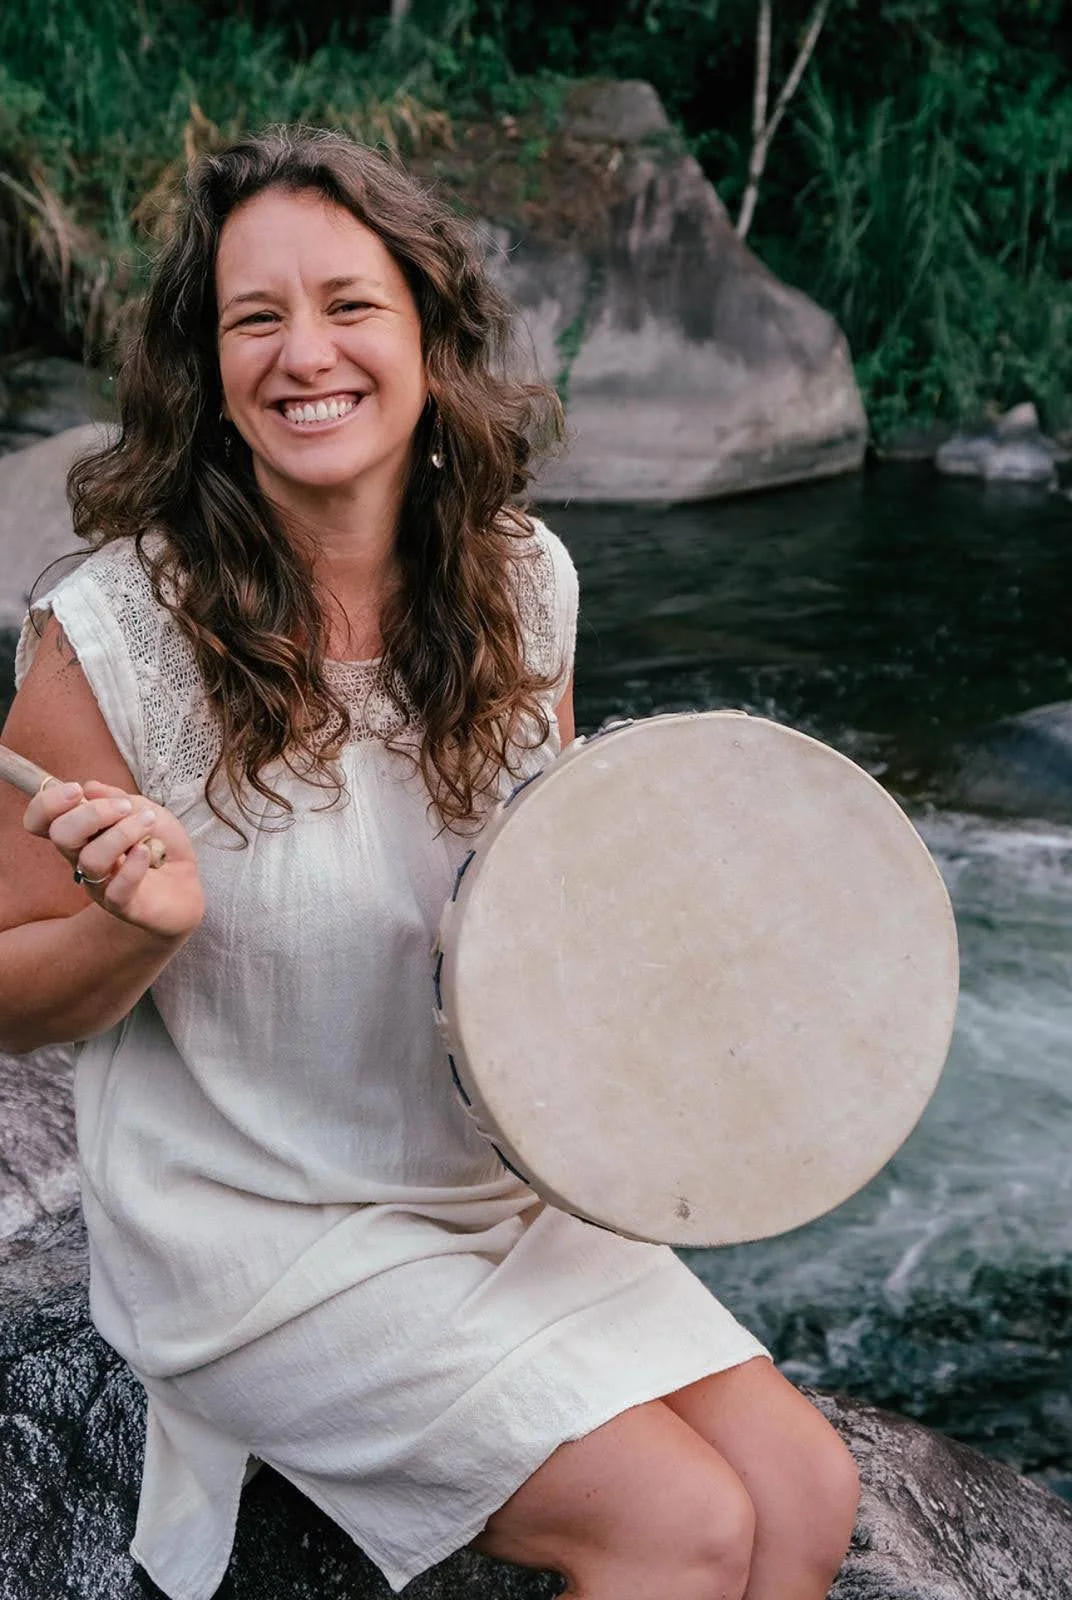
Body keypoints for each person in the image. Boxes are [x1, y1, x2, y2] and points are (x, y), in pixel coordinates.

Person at [0, 127, 858, 1600]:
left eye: (348, 304)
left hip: (488, 1191)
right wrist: (140, 929)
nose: (303, 352)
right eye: (254, 318)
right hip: (254, 1227)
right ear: (205, 372)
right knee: (681, 1526)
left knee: (805, 1491)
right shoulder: (113, 640)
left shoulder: (525, 582)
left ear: (426, 333)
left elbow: (547, 919)